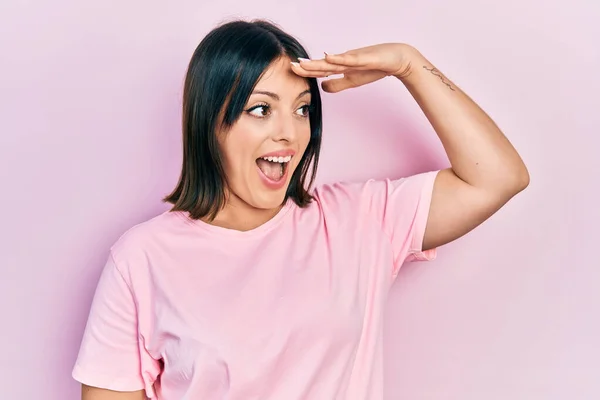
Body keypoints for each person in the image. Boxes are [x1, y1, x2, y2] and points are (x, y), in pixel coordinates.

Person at [72, 19, 529, 400]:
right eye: (260, 109)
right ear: (209, 121)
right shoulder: (143, 258)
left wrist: (410, 64)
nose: (289, 134)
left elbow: (497, 177)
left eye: (303, 108)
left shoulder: (360, 221)